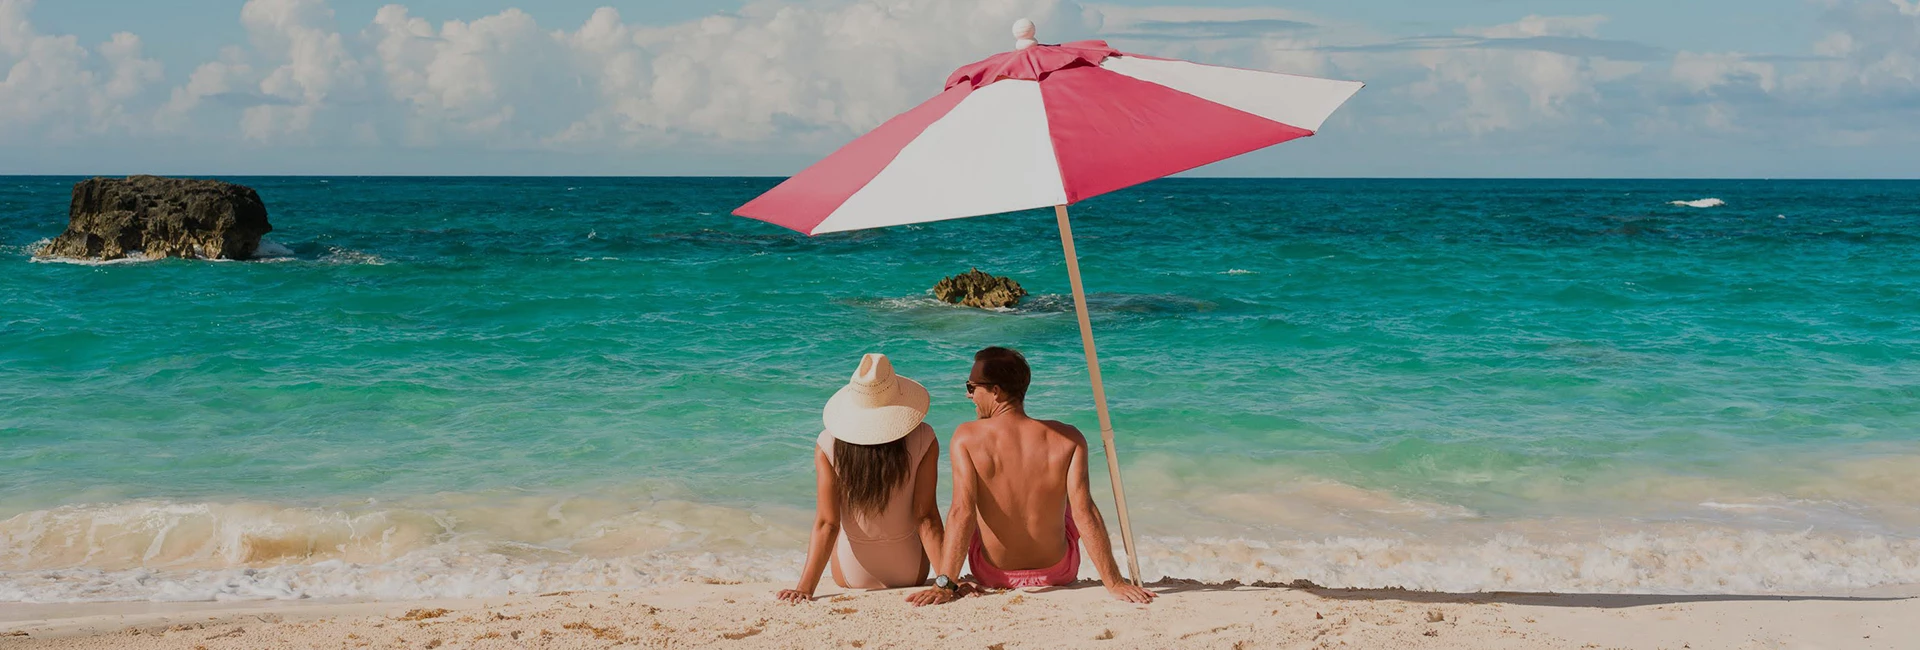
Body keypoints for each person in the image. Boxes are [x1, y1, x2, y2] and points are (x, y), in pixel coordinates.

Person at [908, 347, 1155, 605]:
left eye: (972, 387)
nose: (968, 395)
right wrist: (1114, 583)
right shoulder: (1069, 439)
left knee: (975, 501)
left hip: (992, 573)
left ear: (996, 391)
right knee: (1071, 501)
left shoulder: (967, 437)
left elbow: (962, 512)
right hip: (1059, 570)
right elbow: (1086, 514)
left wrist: (945, 583)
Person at [778, 354, 945, 603]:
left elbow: (828, 523)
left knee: (842, 533)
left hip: (850, 574)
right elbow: (926, 518)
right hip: (911, 571)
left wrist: (804, 588)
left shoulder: (828, 443)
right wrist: (948, 581)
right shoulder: (924, 437)